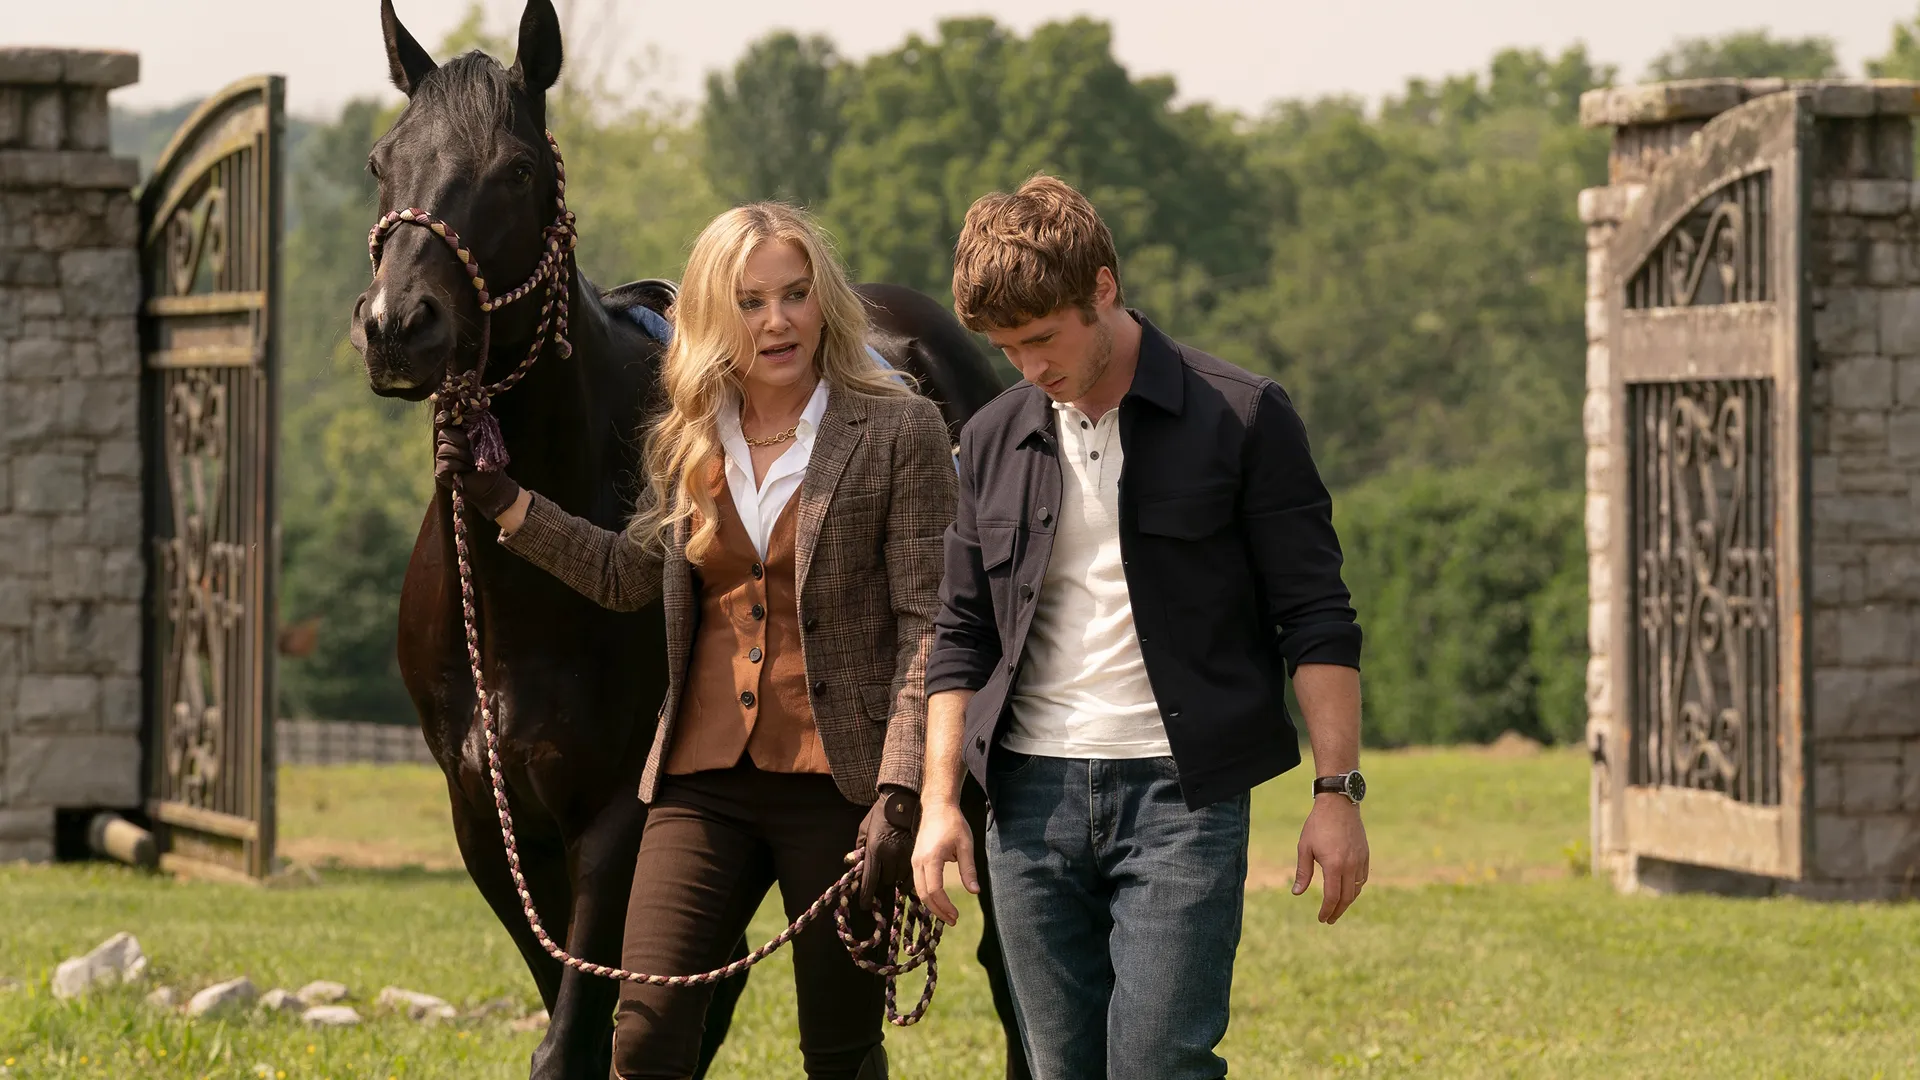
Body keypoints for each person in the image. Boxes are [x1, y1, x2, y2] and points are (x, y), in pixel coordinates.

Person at [435, 202, 955, 1080]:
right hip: (699, 784)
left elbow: (929, 625)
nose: (778, 320)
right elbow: (627, 575)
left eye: (796, 294)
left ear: (824, 302)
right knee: (643, 1038)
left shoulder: (901, 430)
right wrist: (505, 504)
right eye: (750, 302)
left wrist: (901, 791)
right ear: (716, 316)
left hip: (842, 788)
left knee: (839, 1052)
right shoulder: (687, 438)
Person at [910, 174, 1371, 1080]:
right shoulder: (995, 437)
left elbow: (1315, 617)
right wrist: (936, 804)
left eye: (1043, 338)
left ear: (1105, 289)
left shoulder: (1241, 415)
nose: (1029, 367)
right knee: (1057, 1070)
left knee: (1160, 1062)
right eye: (1007, 349)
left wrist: (1337, 790)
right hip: (1028, 803)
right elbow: (959, 631)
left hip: (1181, 801)